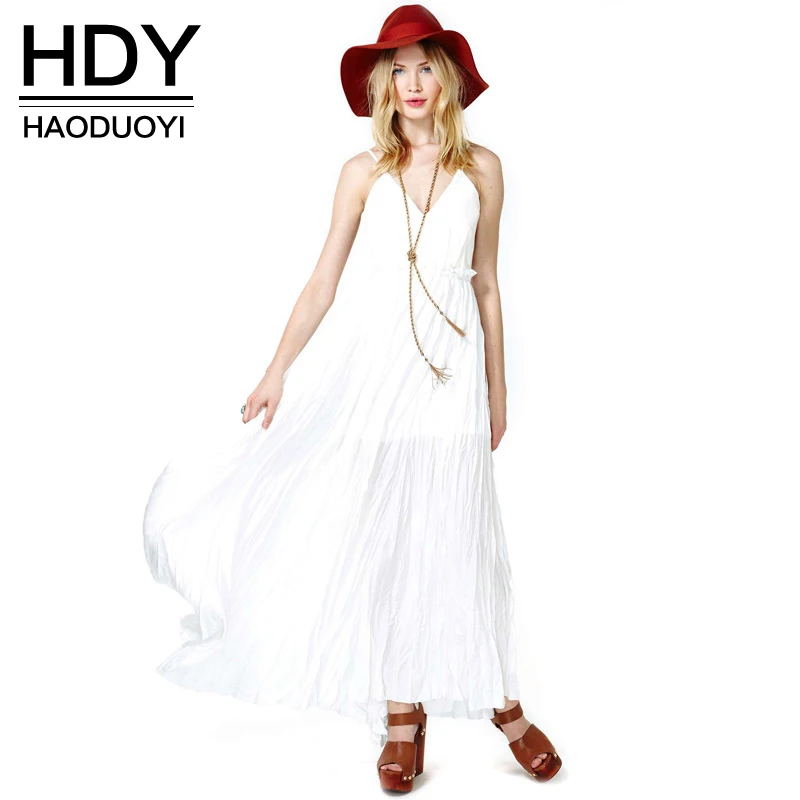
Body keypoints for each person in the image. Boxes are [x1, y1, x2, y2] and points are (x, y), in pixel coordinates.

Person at [143, 3, 562, 790]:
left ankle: (503, 701)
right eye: (398, 70)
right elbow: (322, 282)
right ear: (382, 85)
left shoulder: (484, 169)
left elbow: (488, 284)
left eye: (425, 67)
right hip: (380, 379)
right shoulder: (362, 174)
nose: (412, 83)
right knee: (395, 542)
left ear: (448, 79)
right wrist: (276, 370)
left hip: (454, 378)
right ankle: (403, 711)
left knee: (463, 533)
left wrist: (499, 388)